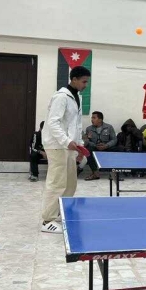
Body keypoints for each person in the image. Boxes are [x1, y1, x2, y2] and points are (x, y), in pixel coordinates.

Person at [39, 66, 90, 234]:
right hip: (56, 145)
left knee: (70, 183)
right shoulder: (61, 97)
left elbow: (77, 124)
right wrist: (67, 141)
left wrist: (79, 145)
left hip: (68, 146)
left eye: (87, 82)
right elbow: (53, 123)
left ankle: (62, 212)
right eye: (83, 81)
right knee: (57, 182)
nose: (85, 85)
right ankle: (47, 220)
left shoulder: (77, 97)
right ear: (74, 79)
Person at [83, 111, 117, 181]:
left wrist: (106, 145)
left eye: (94, 118)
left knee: (117, 149)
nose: (92, 120)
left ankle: (113, 174)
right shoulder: (89, 129)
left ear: (100, 120)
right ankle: (95, 173)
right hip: (95, 148)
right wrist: (94, 145)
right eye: (92, 118)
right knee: (88, 150)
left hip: (106, 147)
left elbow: (114, 139)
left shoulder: (109, 127)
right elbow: (86, 142)